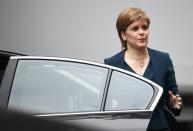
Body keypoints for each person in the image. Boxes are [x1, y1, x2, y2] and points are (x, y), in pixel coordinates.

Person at [104, 7, 182, 131]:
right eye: (135, 28)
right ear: (124, 35)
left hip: (159, 127)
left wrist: (175, 105)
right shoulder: (112, 63)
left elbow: (174, 97)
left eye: (145, 27)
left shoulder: (163, 59)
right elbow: (108, 104)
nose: (142, 32)